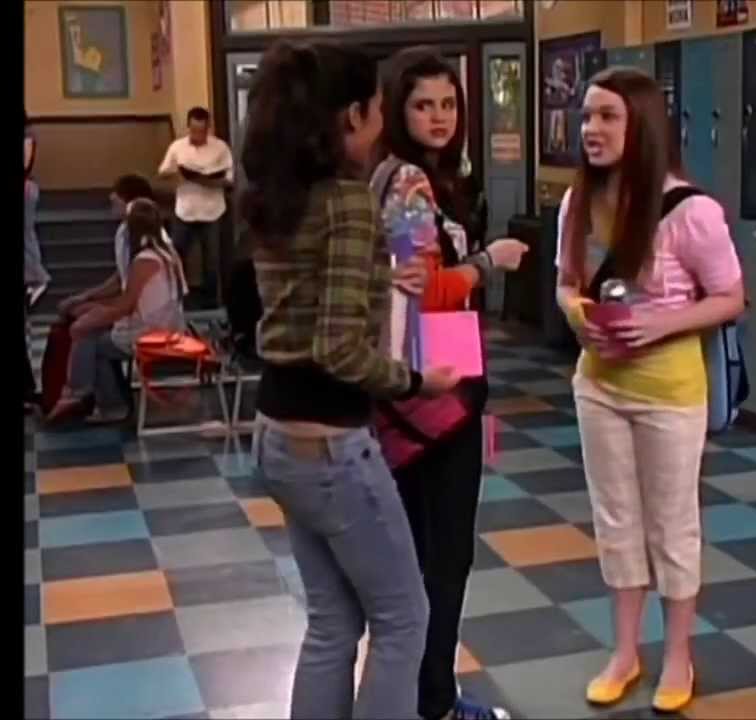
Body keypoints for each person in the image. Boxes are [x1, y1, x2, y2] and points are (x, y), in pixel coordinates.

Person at [239, 39, 459, 720]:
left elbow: (303, 302)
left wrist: (377, 274)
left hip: (277, 431)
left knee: (333, 623)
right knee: (404, 618)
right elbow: (338, 348)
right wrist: (416, 380)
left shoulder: (278, 197)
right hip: (331, 443)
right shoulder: (347, 202)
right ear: (351, 116)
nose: (383, 122)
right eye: (378, 108)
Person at [554, 67, 746, 713]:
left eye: (608, 116)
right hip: (598, 386)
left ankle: (678, 657)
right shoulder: (578, 202)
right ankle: (625, 652)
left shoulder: (691, 211)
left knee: (671, 527)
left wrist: (661, 323)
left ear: (641, 125)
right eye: (586, 116)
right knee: (616, 522)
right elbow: (565, 282)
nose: (591, 129)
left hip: (669, 392)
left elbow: (731, 297)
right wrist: (578, 316)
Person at [372, 47, 528, 720]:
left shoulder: (417, 176)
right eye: (422, 105)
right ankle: (431, 699)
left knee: (421, 555)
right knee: (441, 556)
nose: (438, 117)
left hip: (422, 386)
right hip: (432, 392)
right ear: (396, 111)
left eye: (447, 104)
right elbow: (425, 289)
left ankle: (416, 693)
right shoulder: (410, 183)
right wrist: (488, 262)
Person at [47, 199, 187, 424]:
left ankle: (90, 397)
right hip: (163, 324)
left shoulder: (145, 260)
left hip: (154, 332)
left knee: (91, 340)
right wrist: (95, 309)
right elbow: (128, 298)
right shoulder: (165, 252)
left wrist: (92, 318)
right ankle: (91, 396)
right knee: (93, 332)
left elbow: (126, 305)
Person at [56, 174, 179, 320]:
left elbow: (130, 301)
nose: (111, 197)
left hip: (150, 314)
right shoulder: (123, 231)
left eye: (118, 193)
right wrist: (84, 297)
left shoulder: (154, 244)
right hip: (132, 307)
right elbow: (122, 277)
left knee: (80, 319)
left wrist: (96, 313)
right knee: (75, 310)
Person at [158, 106, 233, 306]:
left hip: (212, 211)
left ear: (208, 128)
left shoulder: (221, 148)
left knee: (212, 261)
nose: (197, 135)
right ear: (188, 127)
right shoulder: (177, 147)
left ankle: (212, 303)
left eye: (201, 131)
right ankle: (176, 299)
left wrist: (207, 180)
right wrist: (178, 174)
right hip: (185, 210)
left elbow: (229, 180)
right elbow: (162, 172)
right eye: (194, 130)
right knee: (176, 256)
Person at [24, 110, 51, 308]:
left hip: (25, 187)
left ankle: (37, 277)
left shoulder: (27, 135)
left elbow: (25, 163)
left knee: (26, 232)